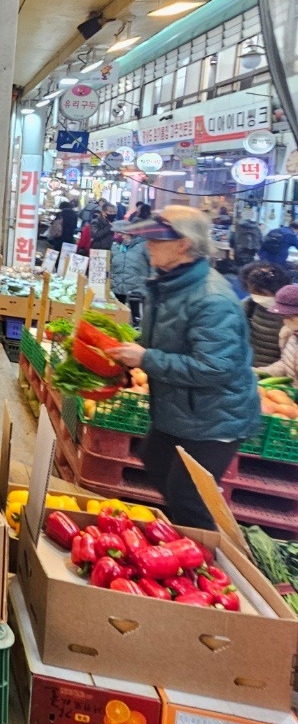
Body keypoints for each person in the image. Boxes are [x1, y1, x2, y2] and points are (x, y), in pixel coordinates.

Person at [105, 206, 261, 528]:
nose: (147, 247)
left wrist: (145, 359)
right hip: (181, 409)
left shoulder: (212, 300)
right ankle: (185, 542)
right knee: (155, 459)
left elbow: (216, 367)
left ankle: (213, 564)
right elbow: (163, 339)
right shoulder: (169, 284)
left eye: (155, 241)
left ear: (183, 245)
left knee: (189, 498)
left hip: (215, 417)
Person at [242, 262, 290, 368]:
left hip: (281, 375)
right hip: (252, 369)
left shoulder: (291, 312)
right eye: (253, 292)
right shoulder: (250, 306)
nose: (258, 297)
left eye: (263, 293)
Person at [258, 282, 298, 386]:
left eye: (290, 318)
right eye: (283, 317)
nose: (285, 322)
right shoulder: (291, 335)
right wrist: (264, 372)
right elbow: (286, 364)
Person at [110, 228, 150, 325]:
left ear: (128, 233)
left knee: (136, 316)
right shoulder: (115, 246)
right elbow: (110, 264)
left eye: (119, 233)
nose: (116, 235)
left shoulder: (142, 246)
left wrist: (151, 280)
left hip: (136, 287)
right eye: (115, 233)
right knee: (118, 316)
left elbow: (152, 264)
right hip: (118, 286)